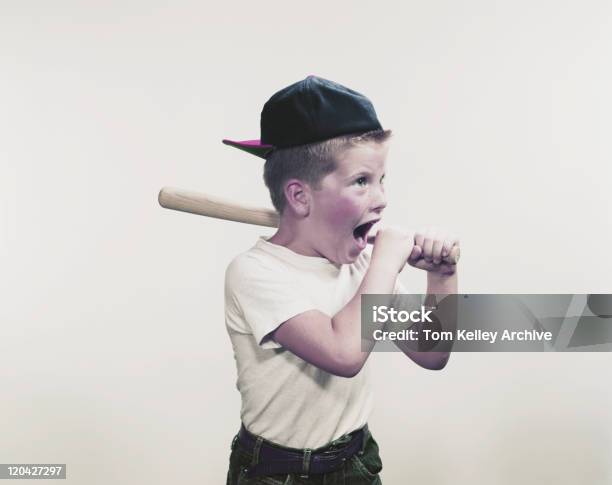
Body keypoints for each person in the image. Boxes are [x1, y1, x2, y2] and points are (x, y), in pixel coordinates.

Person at [223, 75, 459, 484]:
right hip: (275, 472)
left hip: (355, 463)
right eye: (362, 181)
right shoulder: (255, 272)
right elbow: (343, 353)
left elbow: (432, 353)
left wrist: (442, 277)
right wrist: (384, 262)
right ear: (299, 197)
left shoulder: (363, 266)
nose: (382, 198)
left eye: (382, 179)